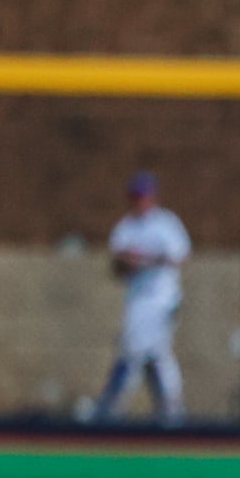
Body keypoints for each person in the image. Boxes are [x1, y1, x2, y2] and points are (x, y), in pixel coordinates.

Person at [82, 171, 190, 426]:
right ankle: (171, 412)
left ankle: (111, 407)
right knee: (155, 355)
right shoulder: (126, 226)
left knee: (133, 350)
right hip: (137, 300)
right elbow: (117, 266)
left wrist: (144, 259)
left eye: (142, 195)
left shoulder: (165, 223)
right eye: (135, 196)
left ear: (152, 196)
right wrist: (128, 261)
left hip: (162, 300)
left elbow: (180, 257)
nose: (138, 200)